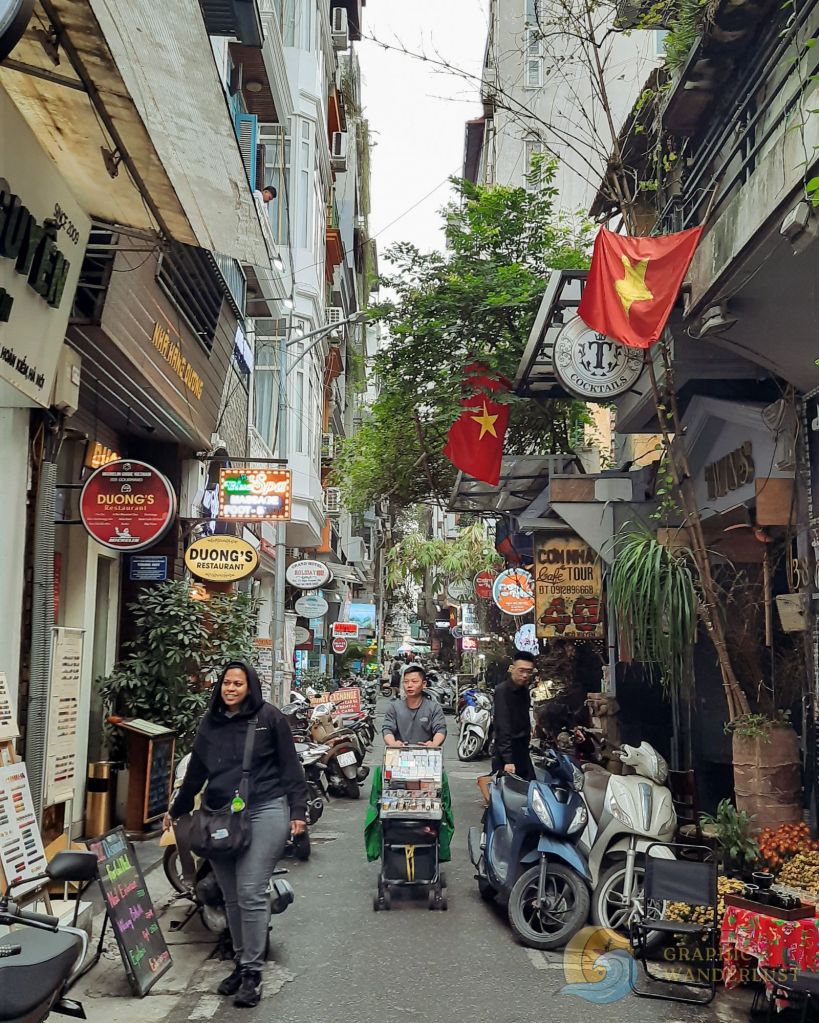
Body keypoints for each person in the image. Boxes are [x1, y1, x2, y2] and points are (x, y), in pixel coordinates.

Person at [163, 661, 307, 1009]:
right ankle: (242, 963)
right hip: (218, 817)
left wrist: (298, 812)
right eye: (226, 682)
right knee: (230, 895)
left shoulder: (269, 718)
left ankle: (253, 974)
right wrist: (177, 809)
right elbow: (196, 771)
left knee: (250, 890)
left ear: (250, 687)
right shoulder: (210, 723)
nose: (231, 688)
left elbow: (291, 766)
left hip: (265, 810)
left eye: (238, 683)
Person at [492, 650, 537, 780]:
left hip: (522, 751)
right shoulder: (502, 691)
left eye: (529, 672)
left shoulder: (525, 690)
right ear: (512, 669)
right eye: (521, 670)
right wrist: (508, 760)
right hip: (507, 752)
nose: (525, 675)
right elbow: (503, 726)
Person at [382, 663, 446, 747]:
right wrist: (393, 743)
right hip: (399, 754)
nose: (409, 685)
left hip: (426, 754)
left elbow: (440, 729)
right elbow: (387, 729)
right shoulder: (394, 707)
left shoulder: (434, 708)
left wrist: (434, 743)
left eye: (414, 681)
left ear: (424, 684)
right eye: (406, 682)